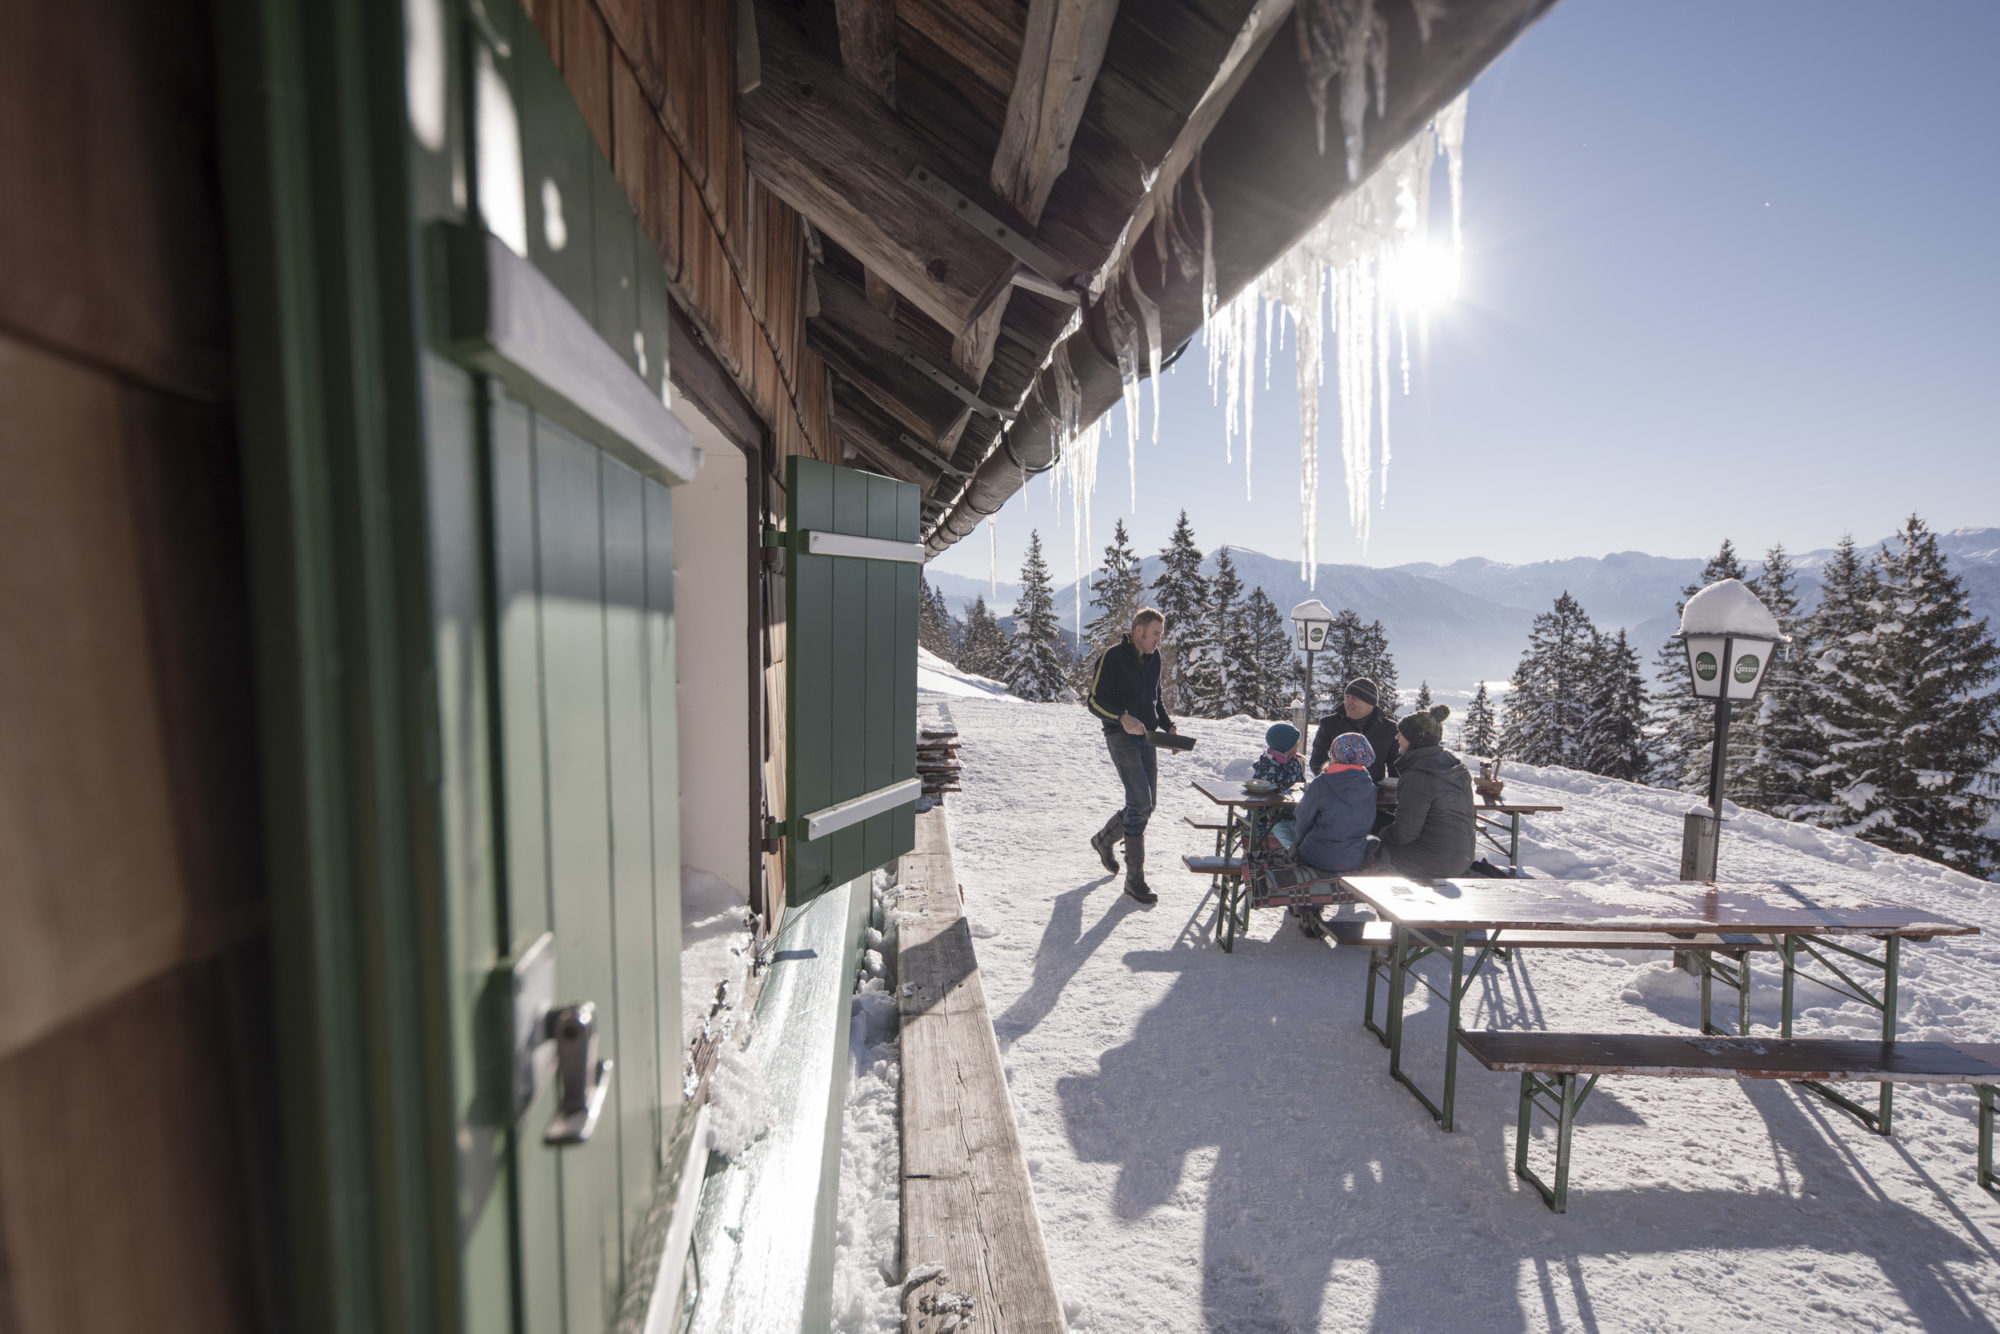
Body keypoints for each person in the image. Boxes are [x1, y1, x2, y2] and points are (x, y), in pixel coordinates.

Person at [1085, 608, 1174, 904]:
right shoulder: (1113, 657)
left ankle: (1103, 840)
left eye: (1161, 634)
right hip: (1120, 735)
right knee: (1139, 802)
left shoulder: (1155, 657)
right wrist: (1122, 717)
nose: (1159, 640)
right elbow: (1094, 700)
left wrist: (1169, 726)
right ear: (1139, 631)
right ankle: (1134, 881)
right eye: (1156, 634)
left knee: (1148, 805)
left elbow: (1155, 699)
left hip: (1148, 738)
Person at [1378, 705, 1476, 879]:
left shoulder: (1419, 775)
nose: (1397, 737)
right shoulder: (1454, 766)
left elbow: (1403, 835)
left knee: (1371, 849)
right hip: (1461, 858)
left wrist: (1379, 834)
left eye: (1402, 733)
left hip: (1432, 861)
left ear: (1415, 740)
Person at [1293, 732, 1379, 875]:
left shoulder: (1321, 783)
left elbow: (1302, 820)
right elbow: (1367, 822)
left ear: (1334, 754)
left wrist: (1296, 844)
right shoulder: (1369, 786)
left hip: (1317, 857)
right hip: (1353, 859)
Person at [1307, 677, 1400, 784]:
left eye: (1354, 698)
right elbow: (1317, 760)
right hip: (1336, 790)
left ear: (1370, 703)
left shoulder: (1390, 729)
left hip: (1374, 794)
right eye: (1347, 697)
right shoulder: (1328, 724)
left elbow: (1395, 768)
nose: (1348, 702)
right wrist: (1330, 782)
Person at [1250, 722, 1305, 789]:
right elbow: (1262, 792)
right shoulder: (1267, 767)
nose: (1298, 744)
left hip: (1294, 798)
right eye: (1295, 742)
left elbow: (1301, 783)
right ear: (1286, 746)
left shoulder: (1294, 762)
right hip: (1275, 799)